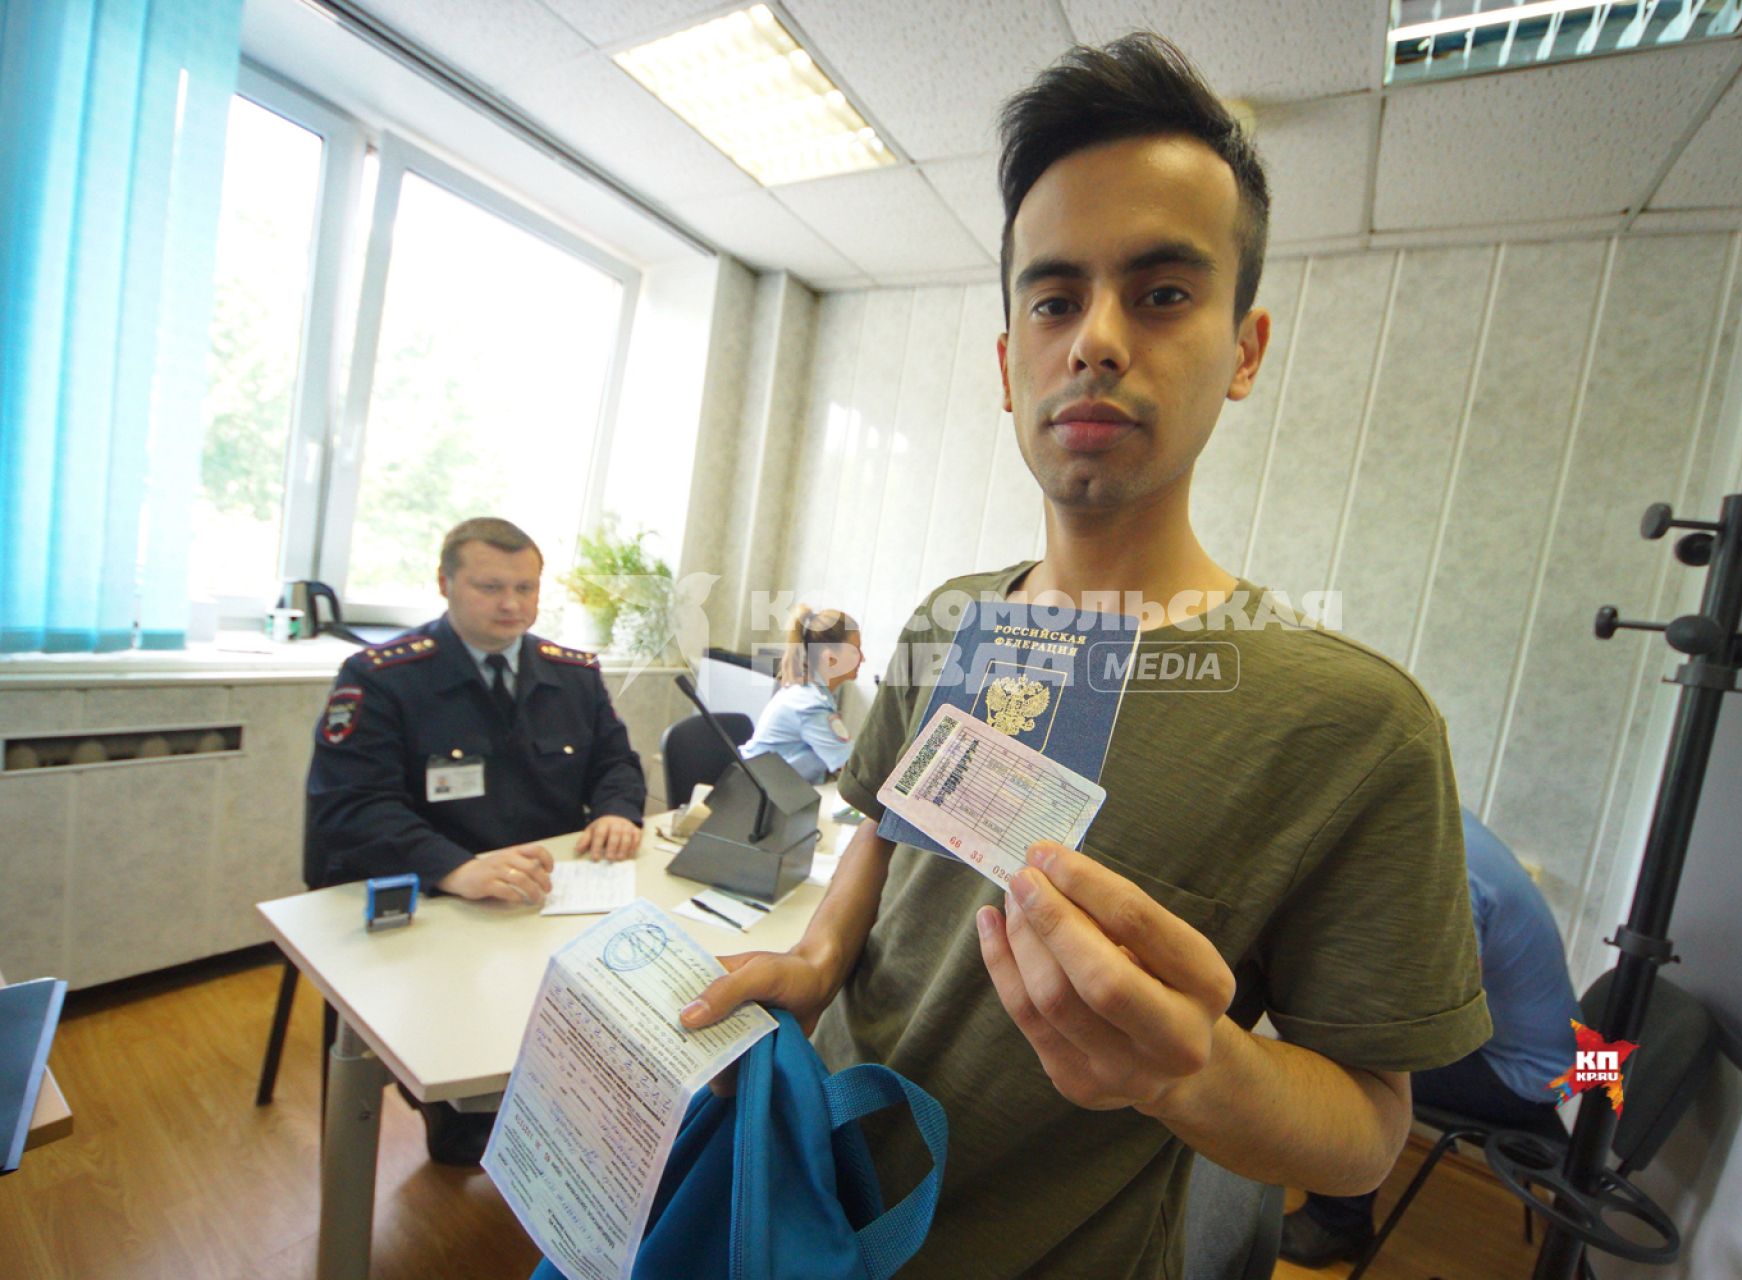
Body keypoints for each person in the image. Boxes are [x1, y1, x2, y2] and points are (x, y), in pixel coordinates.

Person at [679, 34, 1490, 1278]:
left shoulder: (1352, 725)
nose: (1096, 338)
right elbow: (881, 838)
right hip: (810, 1179)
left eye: (1163, 292)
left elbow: (1366, 1134)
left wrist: (1198, 1072)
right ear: (1010, 365)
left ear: (1245, 349)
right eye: (1053, 298)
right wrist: (814, 957)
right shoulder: (955, 614)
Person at [305, 516, 648, 1163]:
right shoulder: (381, 676)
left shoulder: (571, 673)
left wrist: (617, 810)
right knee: (458, 1063)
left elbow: (615, 762)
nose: (512, 604)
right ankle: (456, 1107)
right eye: (491, 587)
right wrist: (454, 868)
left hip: (543, 896)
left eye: (526, 587)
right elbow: (351, 807)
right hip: (435, 900)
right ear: (445, 583)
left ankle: (562, 1098)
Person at [1280, 808, 1583, 1266]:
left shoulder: (1450, 870)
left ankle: (1335, 1224)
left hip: (1519, 1076)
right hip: (1527, 1055)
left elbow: (1440, 1012)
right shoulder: (1441, 820)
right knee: (1333, 1028)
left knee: (1344, 1057)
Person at [738, 605, 863, 783]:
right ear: (830, 658)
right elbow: (854, 771)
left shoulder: (814, 694)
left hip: (775, 791)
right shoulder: (810, 705)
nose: (862, 658)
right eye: (855, 651)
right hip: (759, 795)